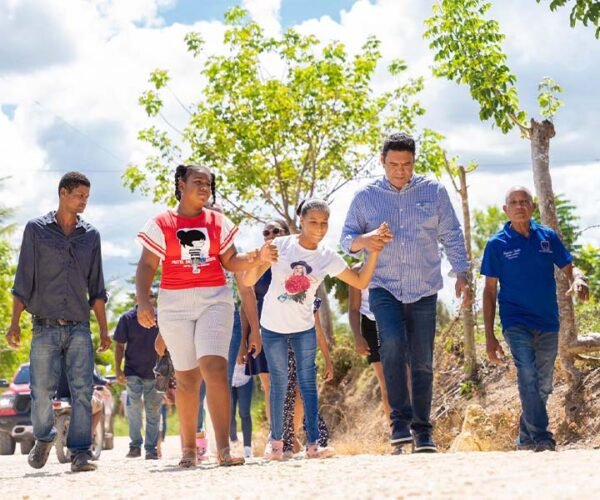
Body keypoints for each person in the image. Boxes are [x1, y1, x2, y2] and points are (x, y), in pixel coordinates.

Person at [135, 164, 272, 468]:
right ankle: (187, 450)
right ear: (180, 184)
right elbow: (147, 266)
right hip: (174, 304)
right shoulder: (161, 222)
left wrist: (254, 258)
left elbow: (231, 260)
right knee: (186, 377)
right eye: (197, 182)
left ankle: (223, 449)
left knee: (213, 367)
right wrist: (143, 300)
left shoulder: (218, 222)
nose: (204, 188)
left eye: (208, 184)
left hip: (214, 300)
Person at [340, 132, 469, 453]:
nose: (400, 170)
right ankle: (399, 422)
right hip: (383, 287)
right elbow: (346, 241)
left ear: (414, 162)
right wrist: (366, 239)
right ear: (382, 162)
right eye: (394, 164)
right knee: (393, 345)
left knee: (423, 360)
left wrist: (462, 274)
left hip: (424, 288)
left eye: (407, 164)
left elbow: (451, 234)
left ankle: (423, 431)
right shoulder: (364, 198)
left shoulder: (433, 192)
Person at [242, 198, 390, 460]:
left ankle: (314, 444)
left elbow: (360, 280)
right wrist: (259, 260)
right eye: (313, 222)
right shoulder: (279, 246)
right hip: (272, 326)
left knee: (308, 384)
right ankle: (275, 443)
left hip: (303, 328)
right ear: (301, 221)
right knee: (279, 384)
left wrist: (374, 251)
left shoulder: (326, 257)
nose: (319, 228)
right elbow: (249, 281)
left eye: (324, 223)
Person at [5, 171, 111, 472]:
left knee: (82, 390)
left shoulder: (90, 236)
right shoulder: (36, 230)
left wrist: (103, 329)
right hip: (44, 326)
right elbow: (23, 279)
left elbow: (97, 287)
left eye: (87, 198)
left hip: (79, 326)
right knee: (40, 391)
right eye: (79, 196)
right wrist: (14, 323)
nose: (84, 202)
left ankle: (79, 453)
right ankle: (44, 437)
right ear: (62, 193)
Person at [481, 186, 589, 452]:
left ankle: (525, 438)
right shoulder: (497, 244)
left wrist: (578, 278)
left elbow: (569, 267)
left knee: (543, 384)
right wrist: (489, 336)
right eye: (513, 202)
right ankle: (542, 436)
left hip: (548, 322)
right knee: (527, 374)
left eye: (524, 201)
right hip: (515, 320)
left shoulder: (547, 237)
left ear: (533, 206)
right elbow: (489, 290)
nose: (519, 206)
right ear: (506, 209)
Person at [114, 292, 163, 460]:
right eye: (145, 295)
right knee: (133, 408)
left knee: (153, 411)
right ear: (137, 299)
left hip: (156, 372)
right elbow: (119, 346)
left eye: (151, 296)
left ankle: (150, 449)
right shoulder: (127, 319)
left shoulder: (160, 318)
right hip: (133, 371)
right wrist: (118, 370)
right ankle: (135, 446)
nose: (148, 298)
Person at [282, 298, 333, 457]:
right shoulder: (280, 297)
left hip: (305, 352)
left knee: (306, 395)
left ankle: (315, 441)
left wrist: (327, 360)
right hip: (284, 351)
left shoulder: (311, 301)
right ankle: (288, 441)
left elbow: (318, 331)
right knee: (290, 396)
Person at [348, 269, 391, 422]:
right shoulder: (357, 271)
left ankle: (413, 428)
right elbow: (354, 308)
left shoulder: (393, 261)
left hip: (395, 321)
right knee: (386, 384)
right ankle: (397, 433)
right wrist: (357, 336)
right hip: (371, 325)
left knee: (406, 379)